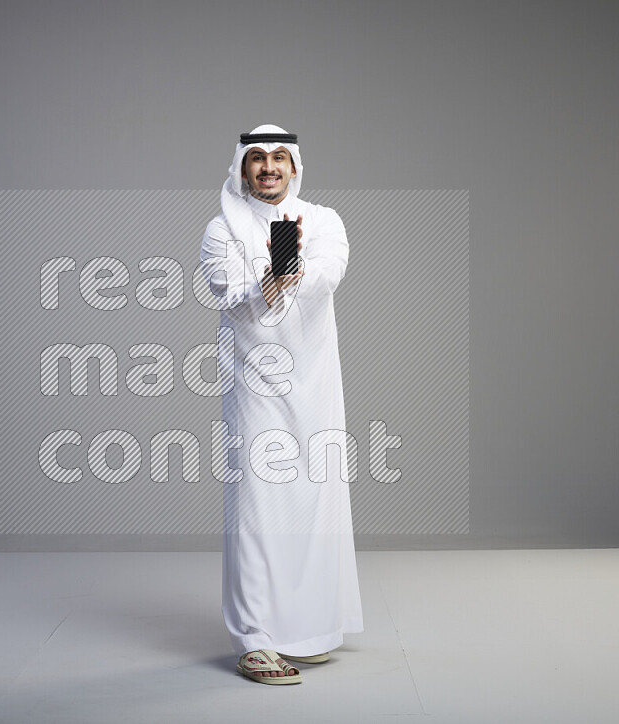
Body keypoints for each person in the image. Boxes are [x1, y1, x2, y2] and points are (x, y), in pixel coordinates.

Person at [198, 125, 364, 685]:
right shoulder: (222, 228)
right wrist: (266, 280)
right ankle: (256, 640)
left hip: (314, 384)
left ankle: (307, 628)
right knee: (257, 507)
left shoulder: (323, 220)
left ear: (294, 165)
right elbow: (223, 288)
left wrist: (289, 271)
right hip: (254, 387)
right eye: (257, 159)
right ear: (242, 168)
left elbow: (328, 272)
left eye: (278, 157)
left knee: (315, 503)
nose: (268, 167)